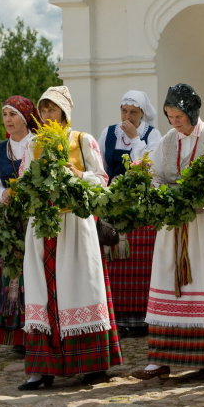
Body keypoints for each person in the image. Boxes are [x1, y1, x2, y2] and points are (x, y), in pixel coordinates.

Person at [132, 83, 204, 379]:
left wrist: (202, 193)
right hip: (175, 227)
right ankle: (160, 358)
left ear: (192, 113)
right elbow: (155, 173)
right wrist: (158, 192)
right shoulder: (169, 140)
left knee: (203, 285)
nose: (175, 122)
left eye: (179, 116)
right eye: (170, 116)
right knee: (170, 286)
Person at [18, 85, 123, 390]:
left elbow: (102, 180)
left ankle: (91, 365)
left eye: (52, 108)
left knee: (80, 287)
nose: (47, 114)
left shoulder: (81, 140)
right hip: (44, 226)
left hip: (76, 224)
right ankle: (41, 369)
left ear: (64, 112)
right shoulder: (33, 143)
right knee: (42, 291)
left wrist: (76, 175)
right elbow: (25, 180)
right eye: (44, 109)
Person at [98, 90, 162, 336]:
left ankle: (143, 319)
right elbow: (101, 166)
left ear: (142, 113)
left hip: (141, 212)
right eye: (124, 111)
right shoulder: (108, 133)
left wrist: (136, 139)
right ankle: (117, 318)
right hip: (114, 207)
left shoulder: (151, 135)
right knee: (115, 264)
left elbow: (150, 168)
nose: (127, 116)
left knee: (140, 267)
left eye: (133, 112)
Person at [0, 95, 38, 354]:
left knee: (34, 277)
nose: (8, 119)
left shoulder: (37, 145)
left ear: (26, 118)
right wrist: (3, 195)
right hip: (10, 224)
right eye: (4, 115)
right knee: (12, 277)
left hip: (36, 221)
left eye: (13, 114)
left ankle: (37, 332)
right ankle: (16, 335)